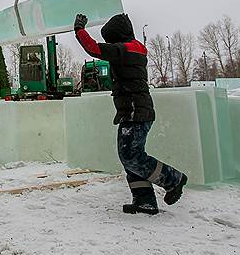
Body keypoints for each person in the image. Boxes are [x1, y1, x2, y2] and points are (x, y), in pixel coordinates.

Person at [74, 13, 187, 215]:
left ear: (117, 36)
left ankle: (173, 179)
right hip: (133, 112)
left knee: (131, 155)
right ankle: (145, 201)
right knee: (129, 157)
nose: (109, 43)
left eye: (110, 39)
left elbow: (94, 48)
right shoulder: (132, 48)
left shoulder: (126, 49)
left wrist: (79, 30)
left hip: (137, 112)